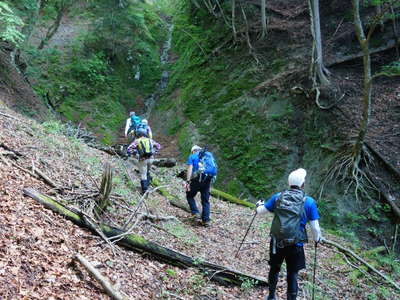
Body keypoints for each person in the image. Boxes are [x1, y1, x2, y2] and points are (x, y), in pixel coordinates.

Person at [256, 168, 322, 300]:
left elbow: (261, 211)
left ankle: (271, 296)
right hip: (295, 244)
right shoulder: (308, 202)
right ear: (303, 184)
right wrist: (317, 239)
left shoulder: (278, 197)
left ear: (289, 182)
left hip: (277, 242)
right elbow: (315, 227)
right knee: (292, 273)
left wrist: (258, 205)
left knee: (274, 269)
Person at [184, 145, 217, 227]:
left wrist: (188, 181)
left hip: (197, 179)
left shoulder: (192, 156)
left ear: (193, 151)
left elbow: (190, 169)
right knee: (205, 200)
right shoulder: (208, 155)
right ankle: (206, 220)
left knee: (189, 195)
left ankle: (195, 212)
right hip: (207, 179)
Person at [127, 128, 161, 194]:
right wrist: (154, 152)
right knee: (148, 171)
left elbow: (129, 149)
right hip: (151, 158)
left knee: (143, 174)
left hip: (143, 159)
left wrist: (136, 153)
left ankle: (144, 191)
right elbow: (158, 146)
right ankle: (147, 186)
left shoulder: (137, 141)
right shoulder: (150, 140)